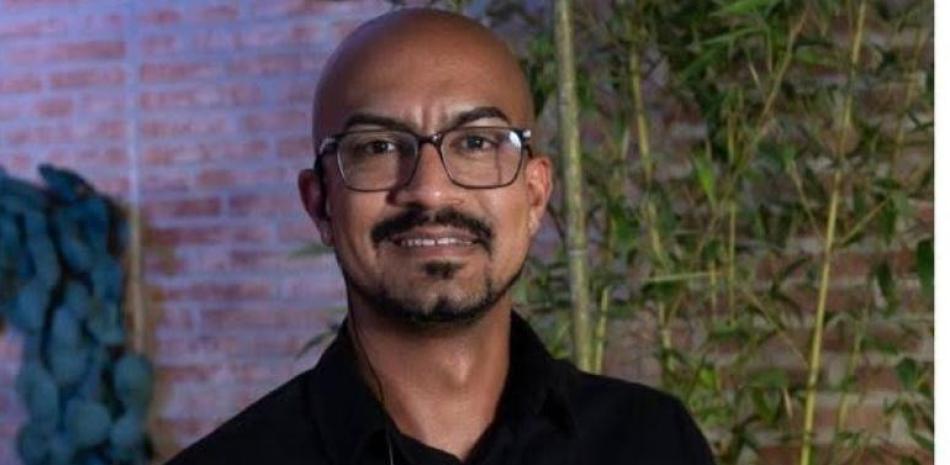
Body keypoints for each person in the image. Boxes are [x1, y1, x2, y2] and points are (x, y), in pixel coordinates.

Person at [167, 8, 715, 465]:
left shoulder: (652, 442)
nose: (430, 191)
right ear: (321, 204)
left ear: (535, 195)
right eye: (379, 147)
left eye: (476, 143)